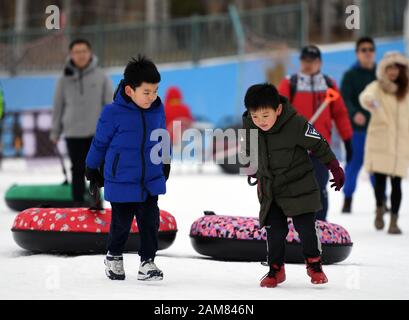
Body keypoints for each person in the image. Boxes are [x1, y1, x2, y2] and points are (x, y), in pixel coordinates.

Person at [242, 83, 345, 288]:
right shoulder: (249, 123)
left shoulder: (296, 123)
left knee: (306, 228)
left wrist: (335, 168)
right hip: (271, 187)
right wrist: (253, 167)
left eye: (265, 116)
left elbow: (319, 144)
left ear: (278, 109)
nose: (260, 121)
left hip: (299, 185)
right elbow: (250, 147)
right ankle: (276, 268)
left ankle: (314, 263)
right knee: (274, 230)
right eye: (255, 116)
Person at [85, 56, 171, 281]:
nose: (152, 97)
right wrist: (91, 166)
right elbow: (100, 142)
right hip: (121, 179)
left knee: (150, 223)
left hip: (149, 179)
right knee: (121, 223)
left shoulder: (156, 109)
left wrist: (165, 161)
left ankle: (147, 262)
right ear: (130, 90)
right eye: (147, 92)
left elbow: (162, 137)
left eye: (155, 91)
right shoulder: (112, 112)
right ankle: (114, 257)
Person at [278, 45, 353, 221]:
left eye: (312, 61)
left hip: (320, 148)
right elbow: (277, 112)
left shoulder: (329, 84)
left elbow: (340, 114)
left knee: (319, 187)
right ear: (300, 62)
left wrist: (348, 139)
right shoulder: (290, 83)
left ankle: (320, 224)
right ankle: (291, 223)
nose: (308, 65)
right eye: (305, 61)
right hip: (295, 147)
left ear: (320, 62)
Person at [51, 38, 113, 206]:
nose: (81, 55)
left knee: (96, 170)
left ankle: (96, 204)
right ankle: (77, 207)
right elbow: (58, 106)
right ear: (71, 54)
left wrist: (111, 129)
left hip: (96, 133)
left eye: (84, 51)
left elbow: (109, 105)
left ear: (90, 53)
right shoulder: (63, 79)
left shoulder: (101, 76)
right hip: (73, 132)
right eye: (77, 52)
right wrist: (55, 132)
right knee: (77, 170)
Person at [359, 51, 409, 234]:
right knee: (379, 182)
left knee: (397, 183)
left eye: (396, 68)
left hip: (401, 143)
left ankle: (394, 221)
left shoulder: (407, 89)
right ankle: (380, 208)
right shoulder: (377, 86)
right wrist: (370, 101)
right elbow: (365, 96)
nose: (393, 72)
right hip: (381, 140)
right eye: (389, 68)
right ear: (384, 70)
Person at [341, 37, 377, 213]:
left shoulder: (381, 74)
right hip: (357, 130)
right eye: (363, 49)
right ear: (357, 53)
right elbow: (344, 99)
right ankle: (348, 198)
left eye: (370, 49)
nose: (367, 52)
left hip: (378, 130)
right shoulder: (350, 75)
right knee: (354, 163)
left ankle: (381, 200)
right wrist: (354, 113)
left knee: (377, 165)